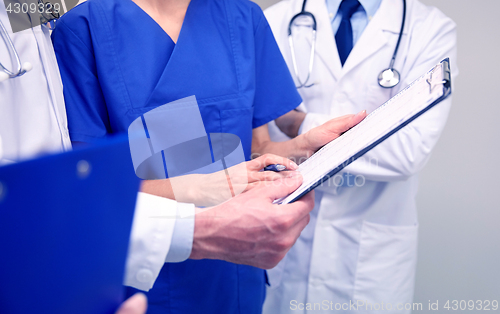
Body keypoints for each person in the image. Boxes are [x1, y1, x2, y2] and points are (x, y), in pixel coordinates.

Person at [49, 0, 366, 312]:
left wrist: (303, 146)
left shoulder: (242, 17)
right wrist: (199, 188)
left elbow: (258, 150)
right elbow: (90, 190)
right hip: (147, 277)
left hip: (237, 273)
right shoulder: (85, 28)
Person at [262, 0, 458, 312]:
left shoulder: (430, 29)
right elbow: (255, 142)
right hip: (286, 239)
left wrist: (301, 124)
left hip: (371, 257)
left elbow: (408, 152)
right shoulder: (273, 21)